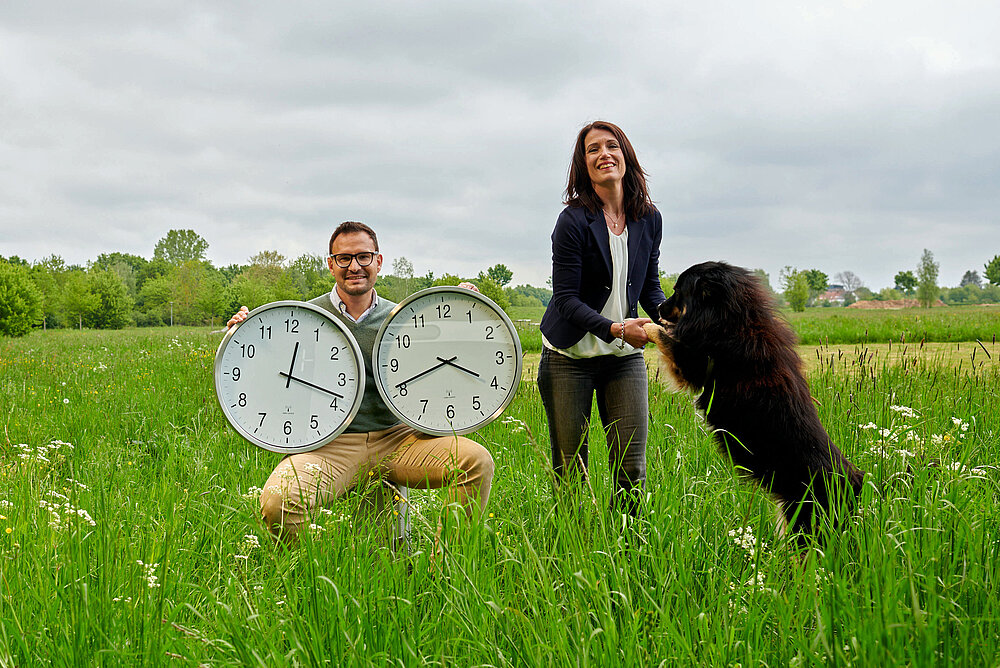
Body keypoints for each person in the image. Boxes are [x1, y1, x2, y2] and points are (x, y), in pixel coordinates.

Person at [227, 221, 494, 543]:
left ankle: (444, 569)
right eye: (344, 258)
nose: (355, 266)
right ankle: (318, 578)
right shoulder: (303, 316)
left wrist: (465, 306)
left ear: (378, 262)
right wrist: (243, 334)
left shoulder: (404, 317)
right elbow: (264, 367)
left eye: (364, 257)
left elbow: (447, 352)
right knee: (278, 503)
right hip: (331, 446)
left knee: (475, 461)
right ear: (331, 264)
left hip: (398, 441)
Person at [537, 121, 665, 517]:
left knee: (632, 468)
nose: (604, 154)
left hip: (624, 360)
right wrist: (614, 328)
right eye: (593, 149)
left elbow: (650, 288)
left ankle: (627, 553)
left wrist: (672, 321)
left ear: (626, 156)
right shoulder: (573, 221)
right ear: (584, 163)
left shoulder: (649, 218)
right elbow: (565, 299)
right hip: (567, 357)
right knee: (571, 470)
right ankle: (575, 552)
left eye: (612, 146)